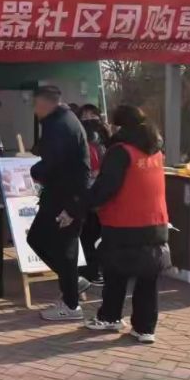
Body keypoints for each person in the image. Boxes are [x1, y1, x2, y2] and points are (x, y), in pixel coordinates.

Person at [81, 105, 170, 344]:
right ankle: (145, 328)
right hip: (155, 222)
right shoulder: (155, 150)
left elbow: (106, 187)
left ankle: (110, 316)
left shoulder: (121, 151)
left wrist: (82, 205)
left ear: (119, 126)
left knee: (115, 272)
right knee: (147, 278)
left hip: (123, 222)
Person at [27, 85, 92, 321]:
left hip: (66, 198)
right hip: (63, 196)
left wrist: (34, 170)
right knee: (45, 241)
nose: (35, 110)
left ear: (46, 103)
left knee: (61, 247)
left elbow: (53, 162)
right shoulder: (64, 120)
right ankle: (72, 285)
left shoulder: (60, 125)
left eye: (36, 105)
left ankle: (71, 304)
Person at [78, 104, 111, 287]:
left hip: (104, 192)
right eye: (85, 116)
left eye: (93, 115)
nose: (89, 119)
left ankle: (99, 268)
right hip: (87, 193)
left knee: (100, 233)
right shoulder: (80, 138)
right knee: (88, 233)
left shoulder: (105, 138)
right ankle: (90, 271)